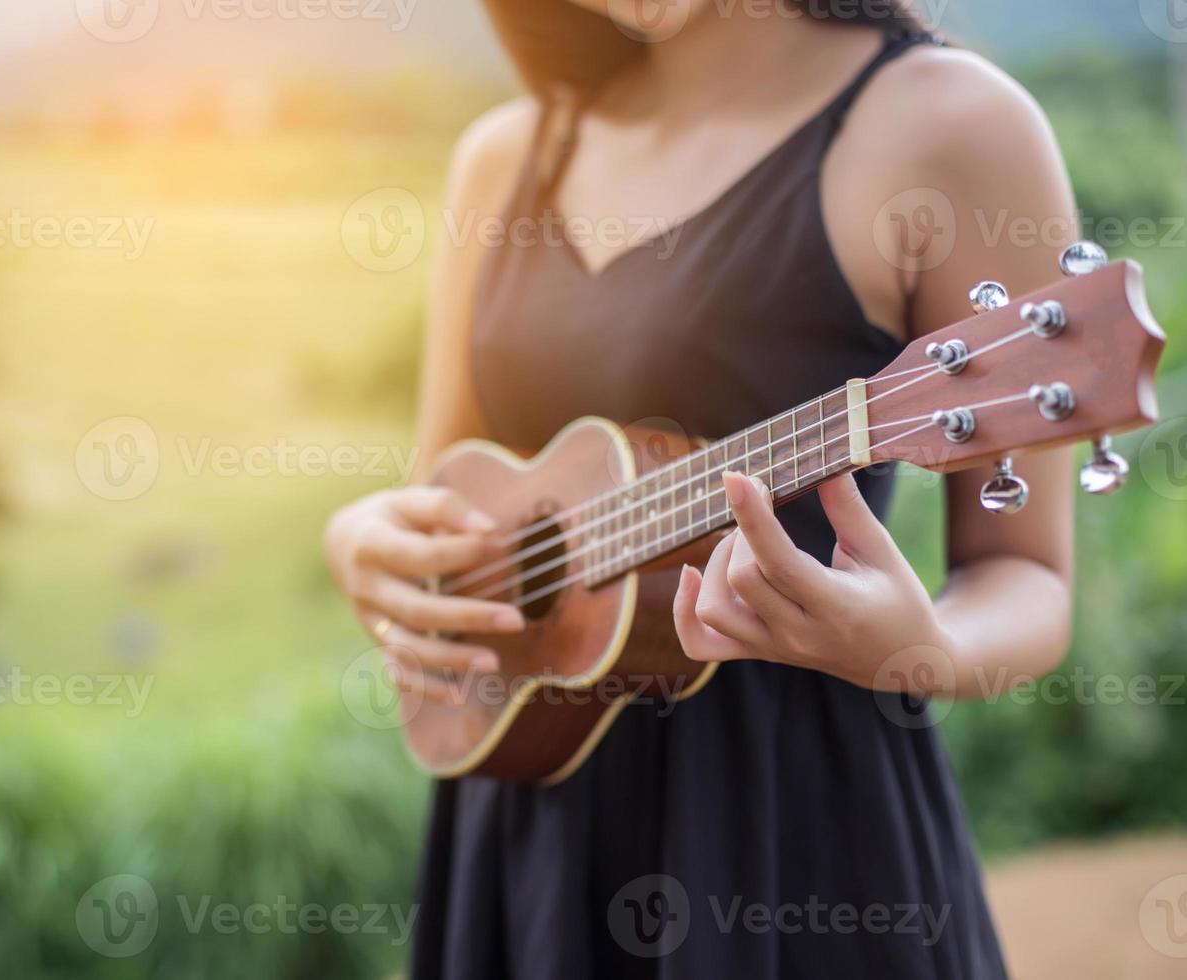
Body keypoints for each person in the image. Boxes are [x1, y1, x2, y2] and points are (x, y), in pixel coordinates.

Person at [324, 1, 1076, 975]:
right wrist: (360, 540)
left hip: (792, 830)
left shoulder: (948, 123)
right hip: (524, 816)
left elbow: (1030, 575)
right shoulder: (508, 154)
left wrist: (922, 651)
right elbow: (448, 491)